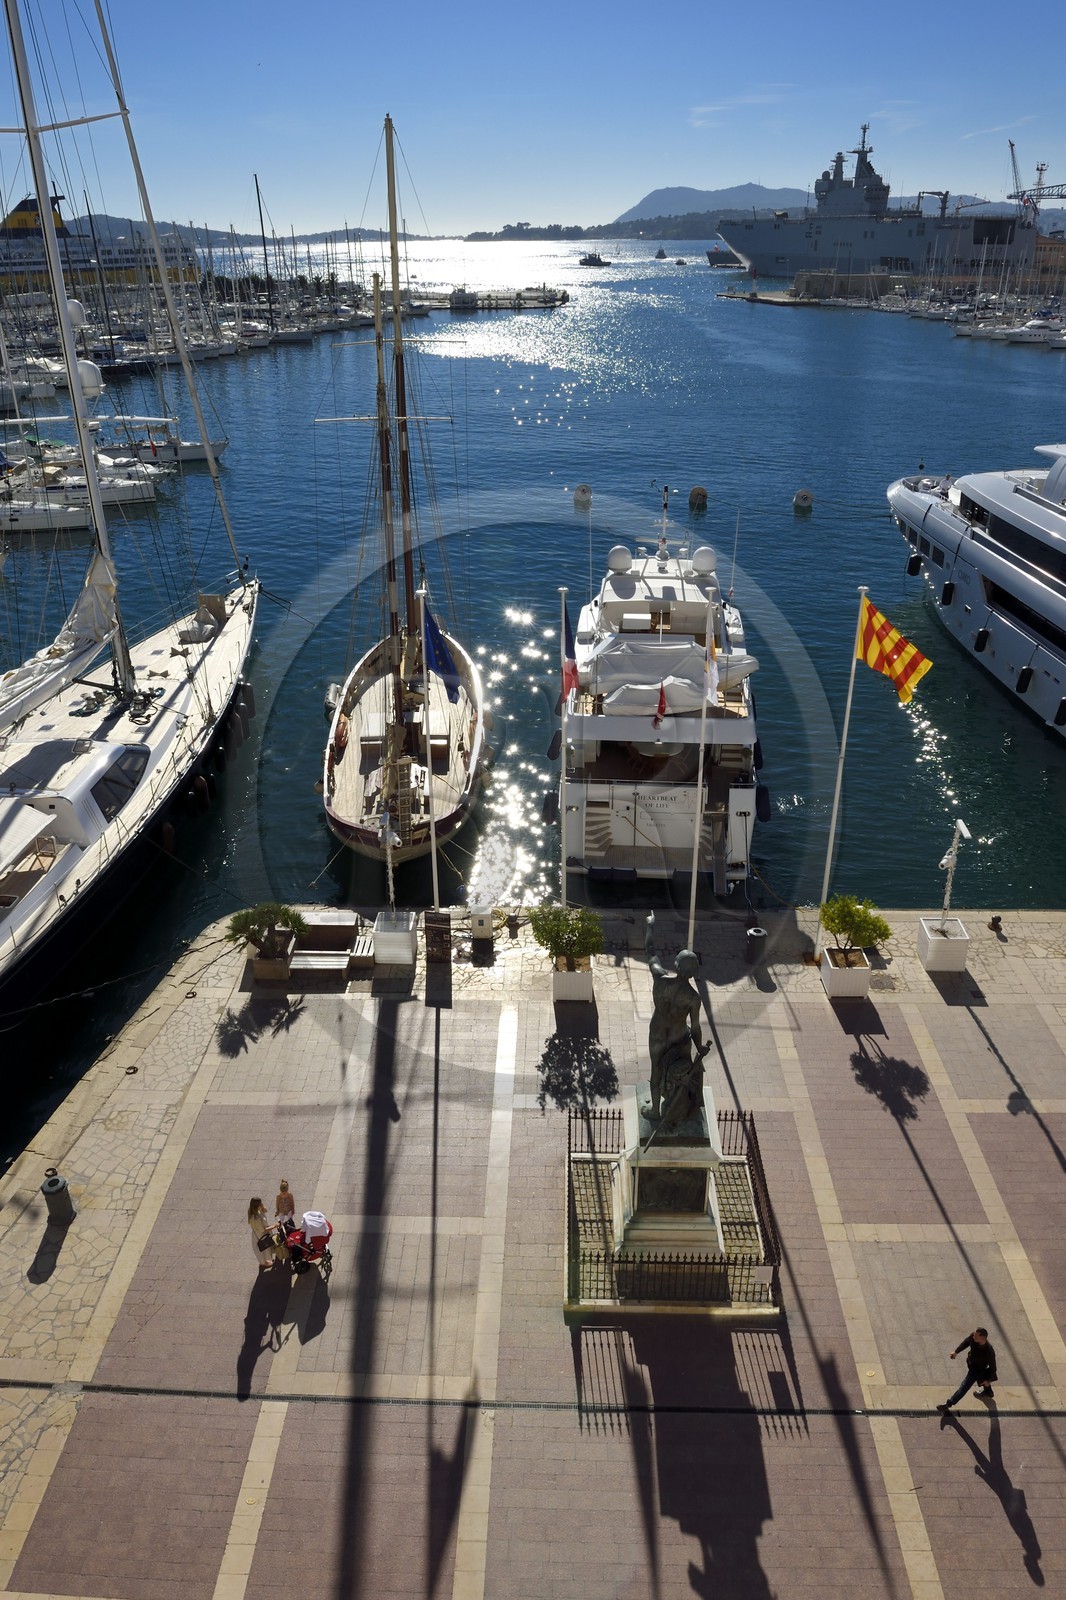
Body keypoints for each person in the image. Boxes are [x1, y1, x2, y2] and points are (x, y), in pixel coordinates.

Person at [645, 913, 710, 1124]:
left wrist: (650, 926)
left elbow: (650, 952)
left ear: (675, 964)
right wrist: (699, 1047)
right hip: (679, 1037)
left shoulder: (660, 980)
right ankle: (681, 1106)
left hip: (657, 1033)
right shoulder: (693, 998)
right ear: (693, 973)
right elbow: (695, 1028)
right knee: (683, 1071)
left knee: (656, 1070)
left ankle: (656, 1110)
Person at [937, 1326, 997, 1411]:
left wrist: (990, 1379)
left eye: (976, 1336)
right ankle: (988, 1391)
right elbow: (966, 1342)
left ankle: (948, 1404)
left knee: (964, 1387)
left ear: (982, 1338)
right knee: (983, 1380)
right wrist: (956, 1351)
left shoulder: (989, 1351)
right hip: (971, 1364)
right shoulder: (973, 1337)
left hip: (977, 1370)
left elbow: (993, 1367)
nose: (973, 1337)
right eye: (974, 1335)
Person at [248, 1196, 283, 1271]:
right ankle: (264, 1263)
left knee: (267, 1248)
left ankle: (265, 1261)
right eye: (260, 1203)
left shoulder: (256, 1210)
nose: (261, 1204)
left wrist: (263, 1207)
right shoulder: (255, 1218)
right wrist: (274, 1226)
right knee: (265, 1249)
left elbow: (265, 1211)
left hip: (264, 1233)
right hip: (261, 1235)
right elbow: (263, 1230)